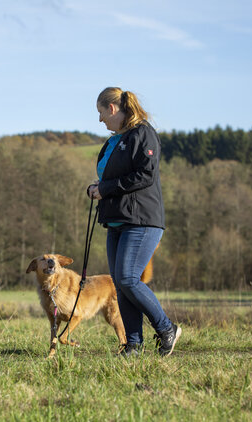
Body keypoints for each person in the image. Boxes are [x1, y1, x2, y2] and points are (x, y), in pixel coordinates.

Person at [87, 87, 181, 357]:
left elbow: (144, 176)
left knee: (128, 279)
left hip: (141, 219)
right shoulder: (115, 140)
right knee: (121, 283)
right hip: (117, 220)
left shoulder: (143, 133)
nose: (101, 120)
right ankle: (134, 345)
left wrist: (107, 188)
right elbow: (114, 178)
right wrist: (98, 187)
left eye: (101, 113)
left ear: (113, 109)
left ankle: (166, 329)